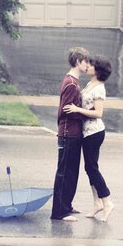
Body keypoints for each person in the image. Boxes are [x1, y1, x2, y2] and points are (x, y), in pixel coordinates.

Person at [63, 55, 114, 222]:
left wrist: (77, 109)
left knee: (92, 168)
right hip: (87, 132)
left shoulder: (99, 88)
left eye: (92, 65)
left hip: (94, 133)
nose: (88, 66)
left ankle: (107, 202)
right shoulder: (90, 84)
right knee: (90, 168)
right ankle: (97, 203)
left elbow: (98, 113)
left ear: (98, 70)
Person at [51, 46, 90, 222]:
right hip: (68, 134)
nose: (88, 65)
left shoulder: (73, 81)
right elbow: (66, 111)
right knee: (64, 173)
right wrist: (85, 112)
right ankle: (59, 212)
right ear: (77, 62)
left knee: (72, 172)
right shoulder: (71, 84)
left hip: (74, 134)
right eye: (85, 61)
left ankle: (67, 205)